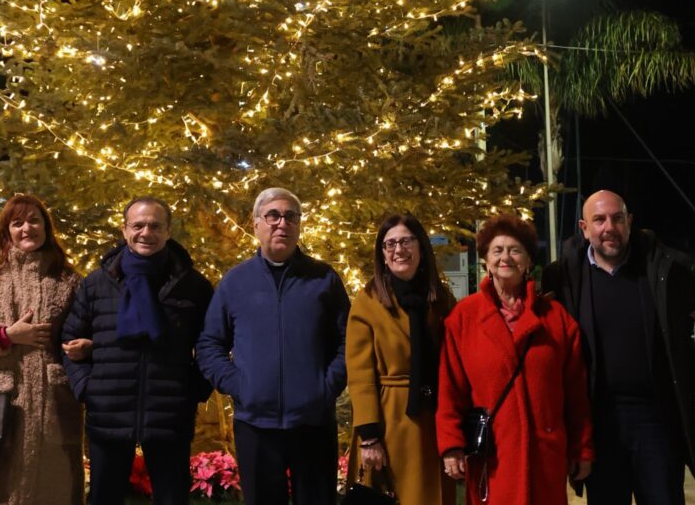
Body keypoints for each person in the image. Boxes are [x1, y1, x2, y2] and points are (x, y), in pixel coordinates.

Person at [542, 189, 695, 505]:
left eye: (617, 218)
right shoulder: (563, 278)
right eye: (599, 220)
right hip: (599, 422)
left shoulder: (664, 270)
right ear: (584, 228)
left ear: (629, 222)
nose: (609, 227)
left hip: (655, 420)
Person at [196, 187, 350, 505]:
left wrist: (326, 386)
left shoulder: (324, 279)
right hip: (255, 425)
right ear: (256, 225)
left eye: (290, 216)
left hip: (313, 423)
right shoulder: (235, 282)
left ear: (299, 225)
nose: (282, 223)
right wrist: (239, 385)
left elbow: (349, 341)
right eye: (273, 215)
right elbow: (209, 343)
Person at [61, 196, 213, 505]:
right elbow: (69, 339)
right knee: (105, 497)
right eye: (138, 225)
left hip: (170, 412)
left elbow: (212, 344)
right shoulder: (97, 284)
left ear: (168, 231)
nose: (147, 233)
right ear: (124, 229)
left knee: (172, 498)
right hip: (108, 412)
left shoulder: (193, 286)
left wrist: (195, 389)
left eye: (155, 226)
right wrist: (88, 388)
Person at [438, 213, 593, 504]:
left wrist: (582, 448)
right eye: (497, 250)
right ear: (485, 260)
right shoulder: (463, 318)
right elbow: (450, 390)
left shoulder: (555, 318)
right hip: (491, 458)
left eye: (515, 250)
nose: (505, 257)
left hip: (545, 456)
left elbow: (575, 393)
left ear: (528, 261)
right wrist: (451, 445)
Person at [0, 193, 83, 505]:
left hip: (54, 412)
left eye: (34, 220)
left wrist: (86, 348)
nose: (26, 228)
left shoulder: (68, 280)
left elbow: (90, 332)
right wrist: (6, 336)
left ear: (47, 227)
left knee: (53, 491)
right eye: (17, 222)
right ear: (5, 231)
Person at [346, 212, 456, 504]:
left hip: (433, 422)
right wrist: (369, 437)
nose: (398, 250)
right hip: (388, 422)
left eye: (406, 241)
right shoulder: (368, 301)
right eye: (389, 244)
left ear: (421, 247)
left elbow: (455, 364)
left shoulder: (441, 300)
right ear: (382, 254)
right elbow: (360, 374)